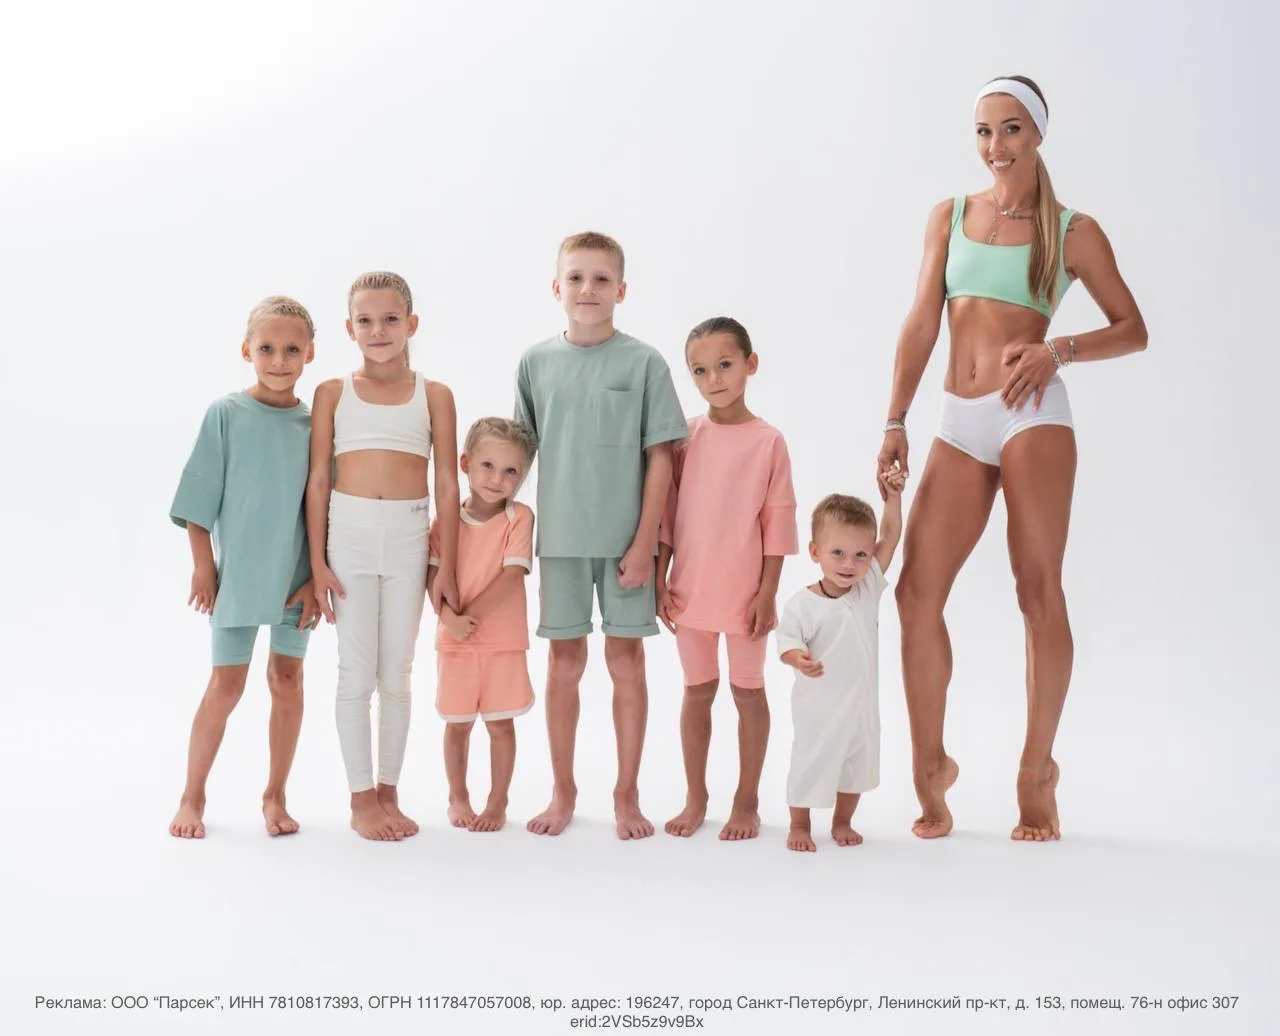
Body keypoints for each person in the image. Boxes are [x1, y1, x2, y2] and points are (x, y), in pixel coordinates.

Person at [879, 75, 1148, 841]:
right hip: (957, 421)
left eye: (1011, 129)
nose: (995, 146)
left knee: (1036, 590)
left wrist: (1059, 349)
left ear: (1037, 135)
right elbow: (921, 321)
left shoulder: (1073, 231)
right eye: (983, 131)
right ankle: (930, 766)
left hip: (1032, 416)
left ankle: (1037, 772)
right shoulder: (949, 216)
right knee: (915, 593)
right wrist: (895, 418)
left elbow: (1133, 328)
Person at [514, 231, 688, 839]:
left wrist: (645, 544)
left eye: (601, 279)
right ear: (556, 287)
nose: (587, 289)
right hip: (560, 542)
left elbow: (661, 458)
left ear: (621, 289)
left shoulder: (644, 363)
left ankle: (626, 793)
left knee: (626, 661)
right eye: (576, 277)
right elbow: (516, 456)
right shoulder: (535, 363)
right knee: (564, 662)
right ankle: (562, 790)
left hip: (624, 545)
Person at [307, 271, 460, 841]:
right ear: (349, 329)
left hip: (408, 539)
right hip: (347, 537)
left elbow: (448, 485)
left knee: (397, 671)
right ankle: (360, 798)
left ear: (411, 324)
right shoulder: (331, 393)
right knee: (355, 671)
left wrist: (446, 566)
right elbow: (318, 479)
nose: (378, 330)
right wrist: (317, 560)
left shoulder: (435, 395)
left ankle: (389, 791)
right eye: (365, 321)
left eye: (391, 319)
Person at [168, 296, 321, 839]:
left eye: (291, 350)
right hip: (237, 577)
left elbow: (324, 507)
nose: (279, 361)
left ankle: (275, 796)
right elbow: (198, 500)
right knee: (226, 686)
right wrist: (203, 568)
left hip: (296, 581)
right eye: (266, 349)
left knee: (287, 681)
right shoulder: (226, 414)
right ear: (246, 351)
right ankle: (192, 795)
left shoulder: (316, 424)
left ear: (309, 354)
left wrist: (316, 576)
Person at [657, 317, 798, 841]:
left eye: (724, 365)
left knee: (748, 693)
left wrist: (767, 592)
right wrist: (659, 578)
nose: (713, 379)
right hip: (689, 591)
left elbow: (777, 521)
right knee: (697, 691)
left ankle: (747, 801)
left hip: (744, 596)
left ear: (749, 365)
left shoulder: (768, 442)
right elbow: (667, 513)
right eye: (700, 370)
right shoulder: (685, 437)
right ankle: (695, 797)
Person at [777, 485, 904, 852]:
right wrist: (798, 658)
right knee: (811, 762)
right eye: (838, 553)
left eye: (861, 555)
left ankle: (843, 821)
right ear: (815, 551)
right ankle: (799, 823)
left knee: (856, 767)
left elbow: (891, 535)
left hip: (860, 710)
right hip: (820, 711)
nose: (849, 564)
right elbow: (787, 640)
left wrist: (893, 498)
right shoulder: (803, 604)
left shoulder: (867, 588)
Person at [428, 417, 538, 833]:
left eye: (511, 471)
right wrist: (448, 620)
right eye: (488, 466)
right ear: (466, 464)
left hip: (502, 643)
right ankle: (457, 797)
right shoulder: (446, 521)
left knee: (500, 725)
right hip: (454, 642)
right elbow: (432, 575)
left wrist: (467, 617)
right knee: (456, 726)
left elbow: (512, 576)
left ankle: (497, 802)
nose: (497, 479)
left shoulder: (519, 518)